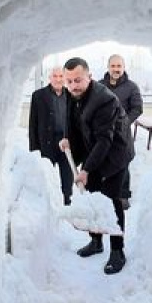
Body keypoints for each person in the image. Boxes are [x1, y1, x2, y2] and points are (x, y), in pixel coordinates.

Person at [59, 57, 135, 274]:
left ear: (89, 77)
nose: (74, 85)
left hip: (115, 154)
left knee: (112, 201)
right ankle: (96, 241)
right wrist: (67, 139)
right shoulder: (71, 94)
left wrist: (85, 170)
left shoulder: (105, 100)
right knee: (92, 195)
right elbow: (71, 122)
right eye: (70, 81)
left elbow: (105, 141)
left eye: (78, 80)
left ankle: (117, 251)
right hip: (95, 149)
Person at [99, 54, 142, 207]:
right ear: (108, 67)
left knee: (123, 162)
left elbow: (137, 108)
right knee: (103, 162)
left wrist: (124, 123)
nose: (116, 69)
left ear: (123, 67)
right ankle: (104, 193)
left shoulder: (132, 87)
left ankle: (123, 195)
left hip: (122, 135)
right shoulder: (99, 86)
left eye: (119, 66)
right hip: (103, 133)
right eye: (113, 66)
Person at [28, 67, 73, 205]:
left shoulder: (72, 95)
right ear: (50, 78)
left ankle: (67, 201)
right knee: (46, 176)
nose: (58, 79)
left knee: (67, 176)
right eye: (55, 76)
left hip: (66, 143)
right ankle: (48, 204)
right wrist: (34, 149)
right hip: (47, 142)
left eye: (61, 76)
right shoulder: (38, 96)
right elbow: (33, 124)